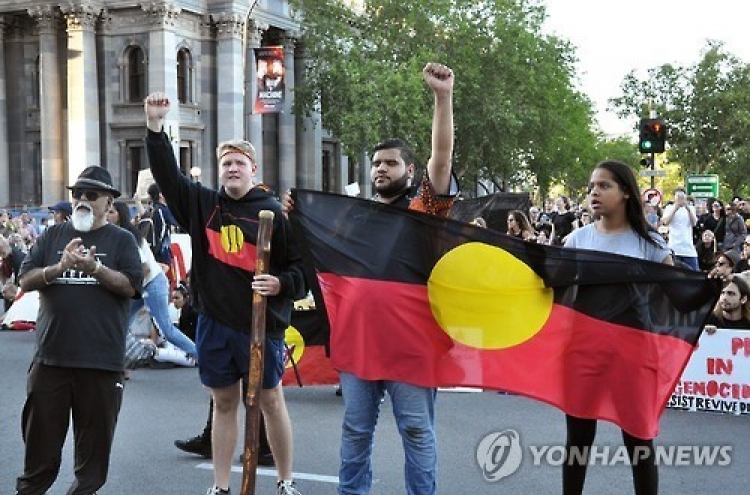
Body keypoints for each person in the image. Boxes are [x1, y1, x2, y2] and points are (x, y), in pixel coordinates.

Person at [284, 62, 457, 495]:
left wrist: (442, 98)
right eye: (377, 163)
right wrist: (298, 217)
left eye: (391, 163)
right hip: (359, 345)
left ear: (410, 172)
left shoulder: (425, 213)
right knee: (355, 433)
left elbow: (443, 157)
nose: (381, 169)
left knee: (416, 433)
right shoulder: (351, 217)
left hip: (412, 348)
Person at [144, 92, 307, 495]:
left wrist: (280, 284)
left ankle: (286, 481)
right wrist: (155, 127)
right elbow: (168, 175)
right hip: (215, 323)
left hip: (262, 327)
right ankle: (220, 486)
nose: (232, 169)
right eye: (226, 163)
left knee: (270, 401)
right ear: (220, 171)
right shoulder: (203, 204)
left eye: (239, 163)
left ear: (253, 170)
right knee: (224, 402)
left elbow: (302, 271)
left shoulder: (274, 213)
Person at [13, 166, 143, 495]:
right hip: (51, 361)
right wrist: (59, 268)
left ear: (108, 203)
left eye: (91, 195)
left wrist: (95, 268)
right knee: (38, 461)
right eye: (77, 195)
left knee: (91, 467)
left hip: (101, 364)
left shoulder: (123, 241)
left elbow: (131, 287)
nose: (82, 200)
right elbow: (24, 280)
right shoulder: (53, 236)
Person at [563, 160, 673, 495]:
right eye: (591, 187)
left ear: (626, 192)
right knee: (577, 442)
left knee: (639, 442)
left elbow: (678, 289)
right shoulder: (576, 241)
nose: (594, 192)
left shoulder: (649, 243)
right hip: (583, 353)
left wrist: (709, 286)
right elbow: (555, 293)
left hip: (634, 355)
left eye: (604, 185)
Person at [108, 200, 197, 359]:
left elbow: (145, 268)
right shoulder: (118, 236)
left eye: (111, 212)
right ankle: (120, 364)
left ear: (120, 216)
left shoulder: (128, 237)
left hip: (151, 283)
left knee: (166, 330)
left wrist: (129, 289)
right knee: (121, 324)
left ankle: (200, 356)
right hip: (143, 285)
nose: (107, 215)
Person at [660, 189, 698, 270]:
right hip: (674, 247)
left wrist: (687, 207)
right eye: (678, 196)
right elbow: (665, 222)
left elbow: (694, 223)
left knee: (694, 271)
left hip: (688, 248)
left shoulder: (691, 208)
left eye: (682, 197)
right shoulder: (669, 208)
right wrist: (675, 208)